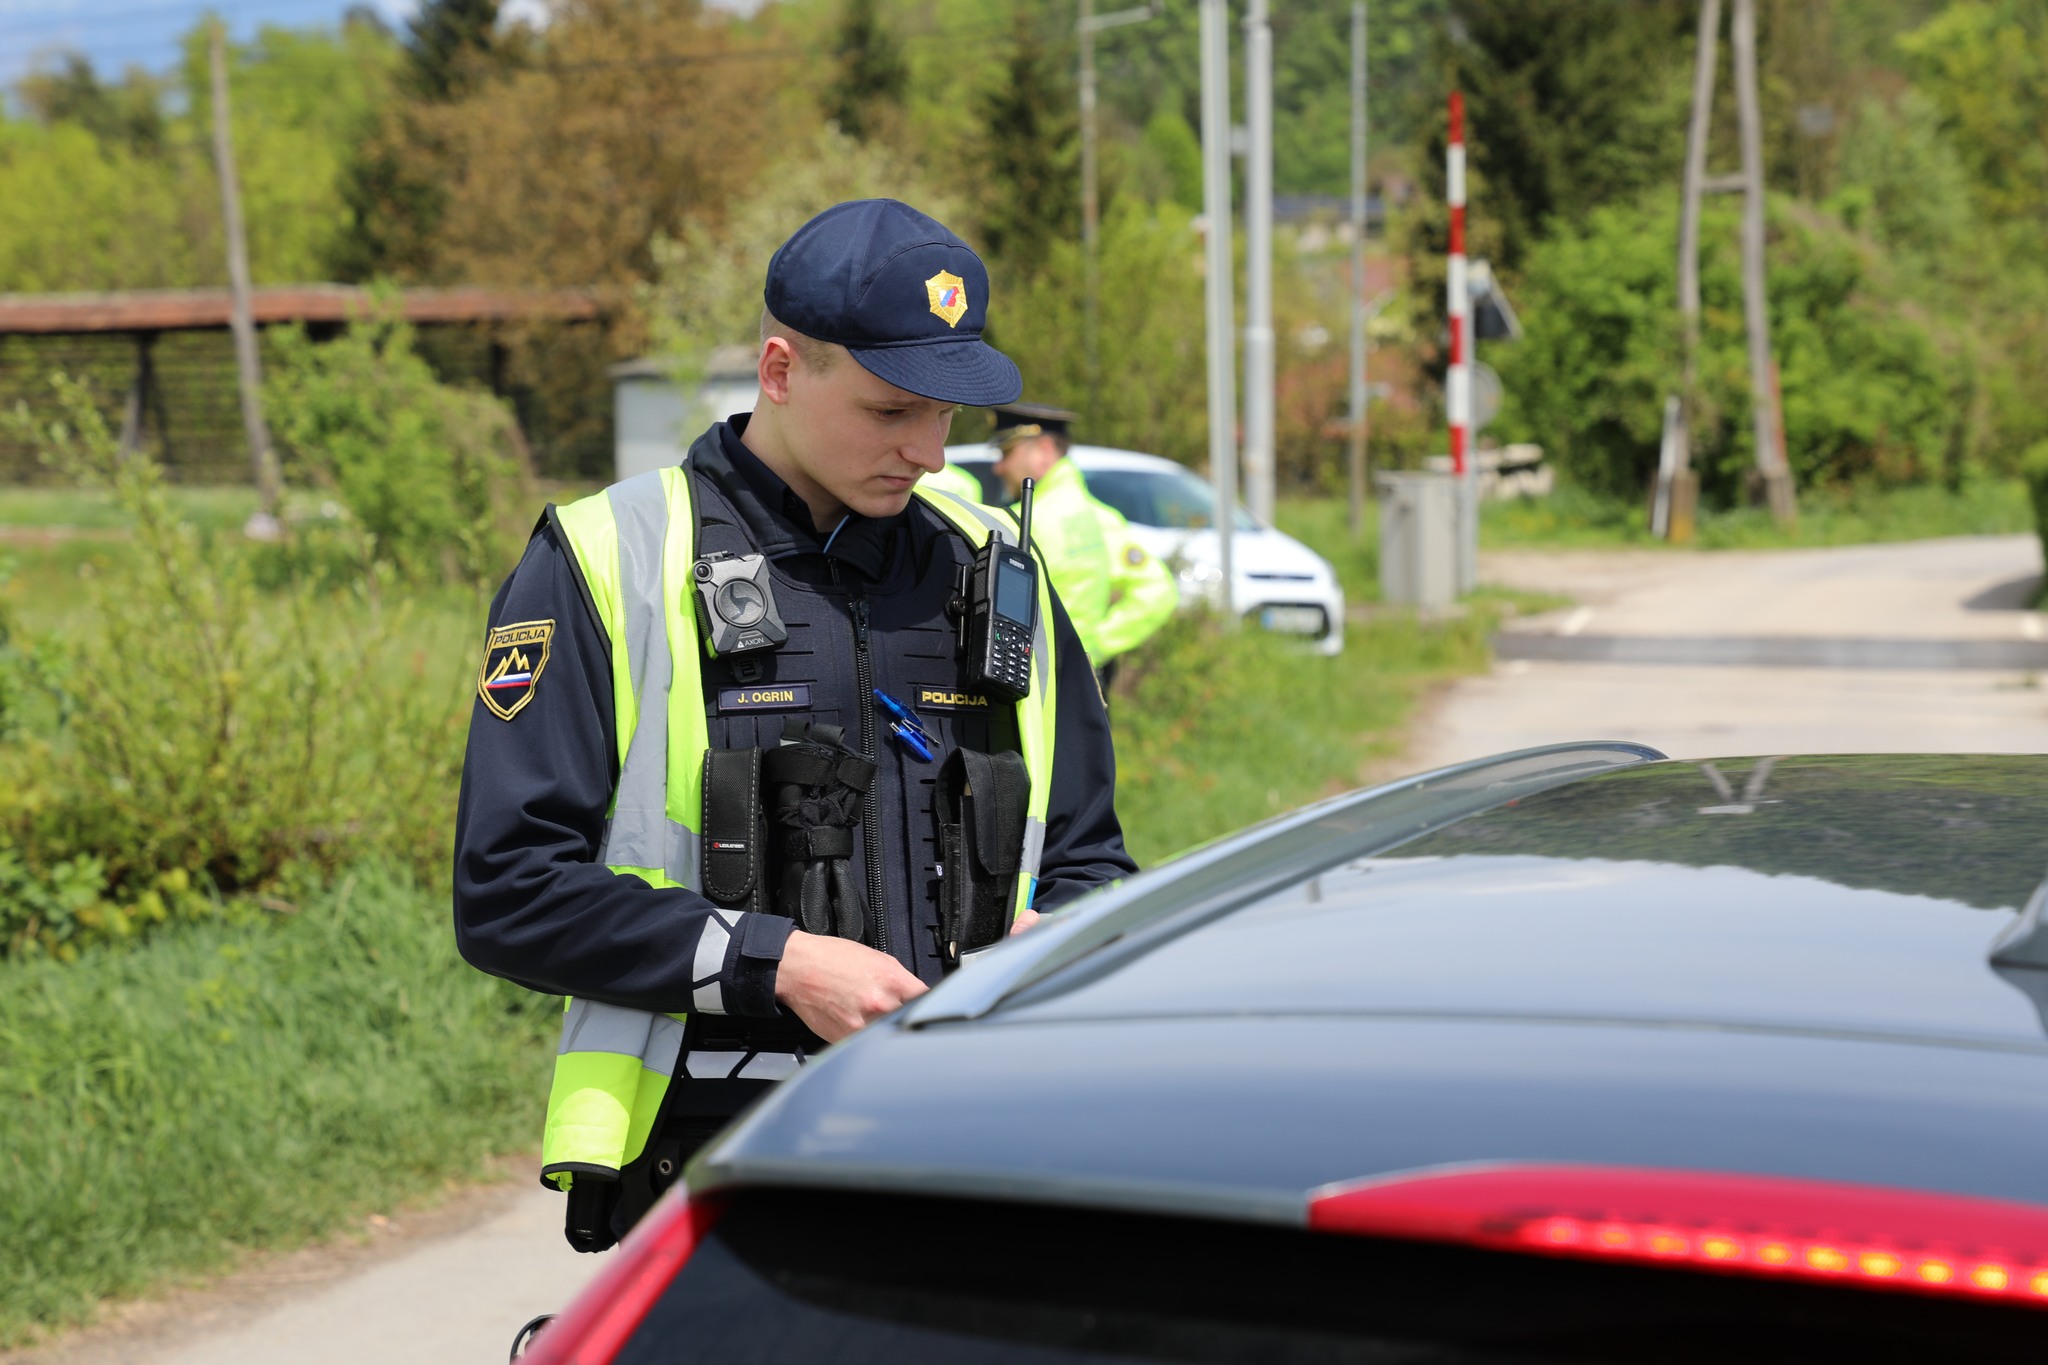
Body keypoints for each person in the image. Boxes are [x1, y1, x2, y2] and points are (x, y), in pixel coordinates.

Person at [451, 200, 1136, 1253]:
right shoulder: (609, 556)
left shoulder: (995, 568)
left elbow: (1089, 855)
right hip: (717, 1165)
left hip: (979, 1149)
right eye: (889, 411)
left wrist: (1066, 934)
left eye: (947, 416)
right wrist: (771, 963)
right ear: (780, 370)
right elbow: (509, 892)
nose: (926, 451)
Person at [988, 403, 1179, 686]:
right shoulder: (1101, 518)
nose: (999, 466)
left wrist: (1087, 646)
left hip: (1041, 680)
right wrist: (1093, 647)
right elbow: (1156, 591)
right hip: (1087, 681)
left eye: (1007, 452)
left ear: (1043, 450)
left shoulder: (1024, 521)